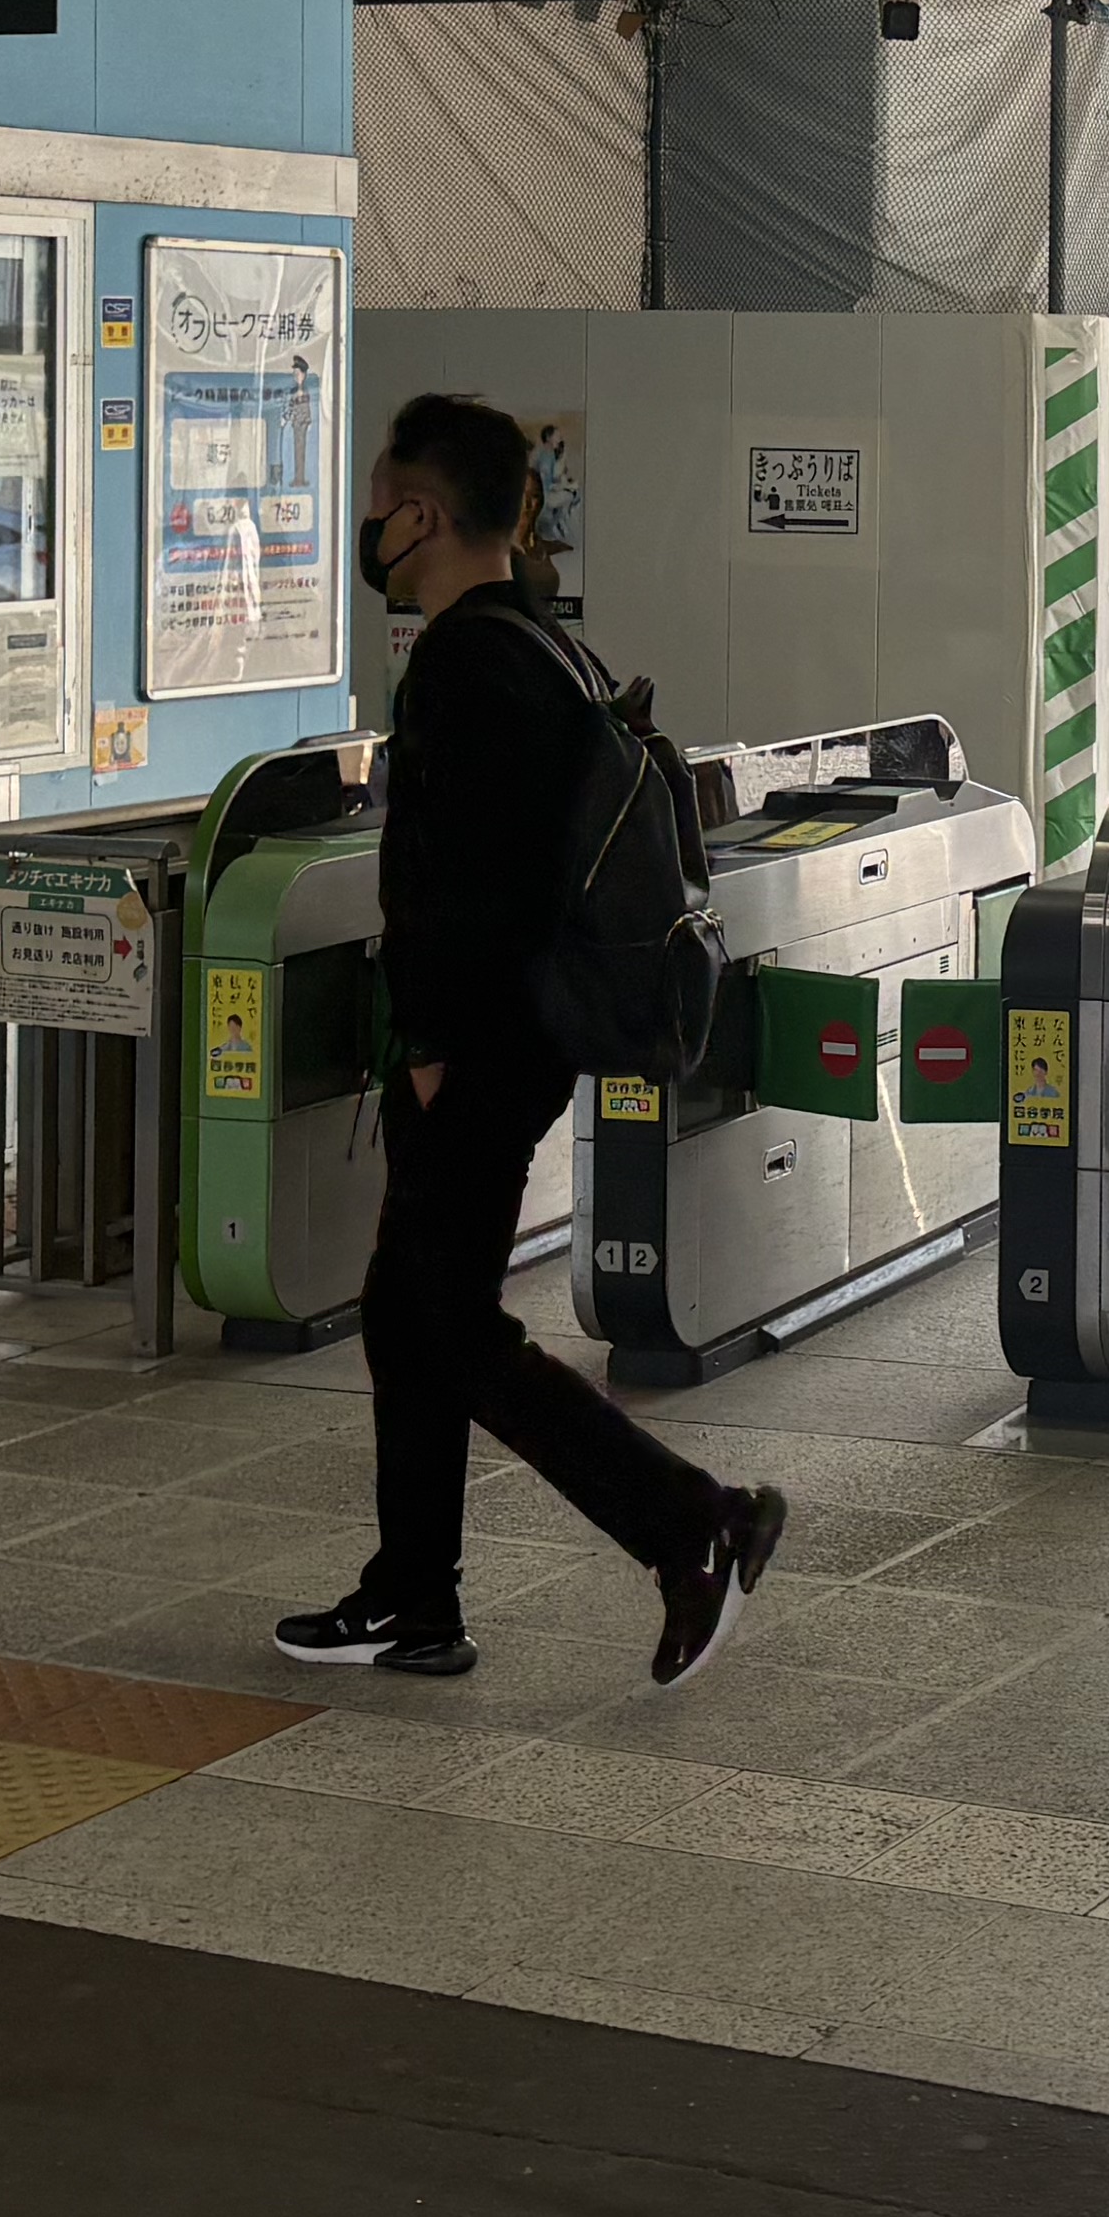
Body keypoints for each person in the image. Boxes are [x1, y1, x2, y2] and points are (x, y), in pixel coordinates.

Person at [275, 395, 782, 1688]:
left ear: (424, 517)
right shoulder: (546, 645)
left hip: (480, 1051)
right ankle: (413, 1598)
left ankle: (691, 1525)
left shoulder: (466, 664)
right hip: (515, 1039)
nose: (370, 524)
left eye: (380, 502)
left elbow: (470, 887)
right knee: (412, 1312)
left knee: (442, 1324)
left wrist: (435, 1046)